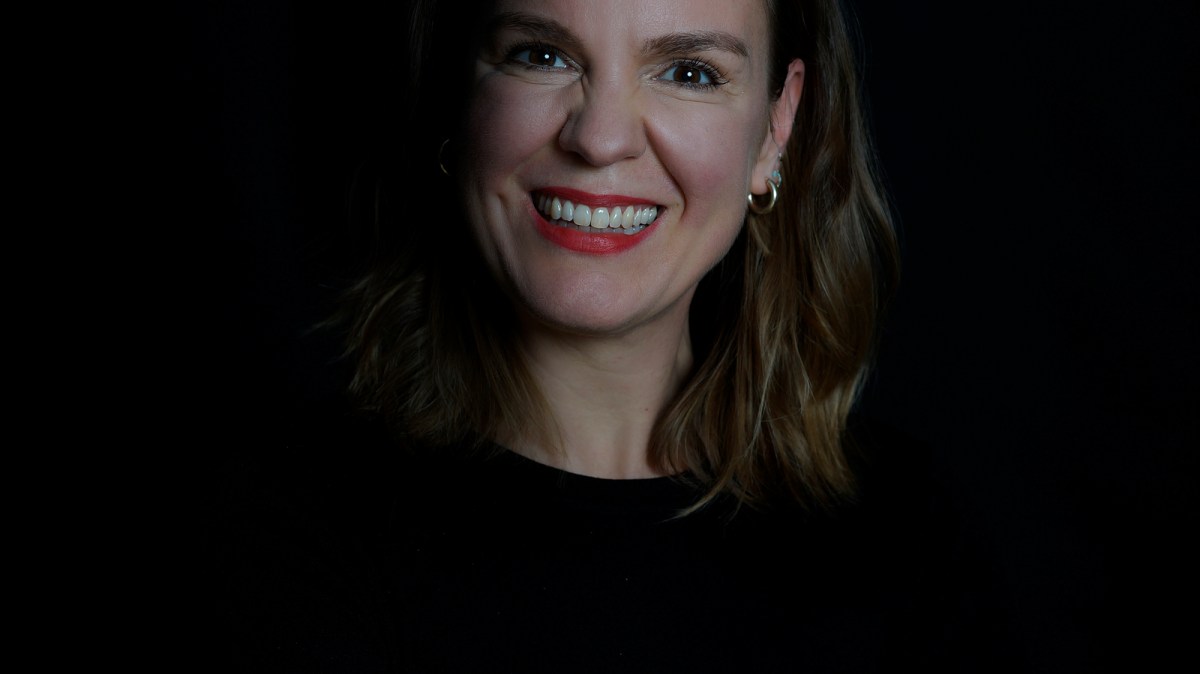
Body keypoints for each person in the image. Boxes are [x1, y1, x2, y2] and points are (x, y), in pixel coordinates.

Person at [218, 0, 992, 671]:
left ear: (775, 127)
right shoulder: (285, 529)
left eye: (688, 71)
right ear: (456, 87)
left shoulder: (905, 537)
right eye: (541, 54)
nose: (600, 138)